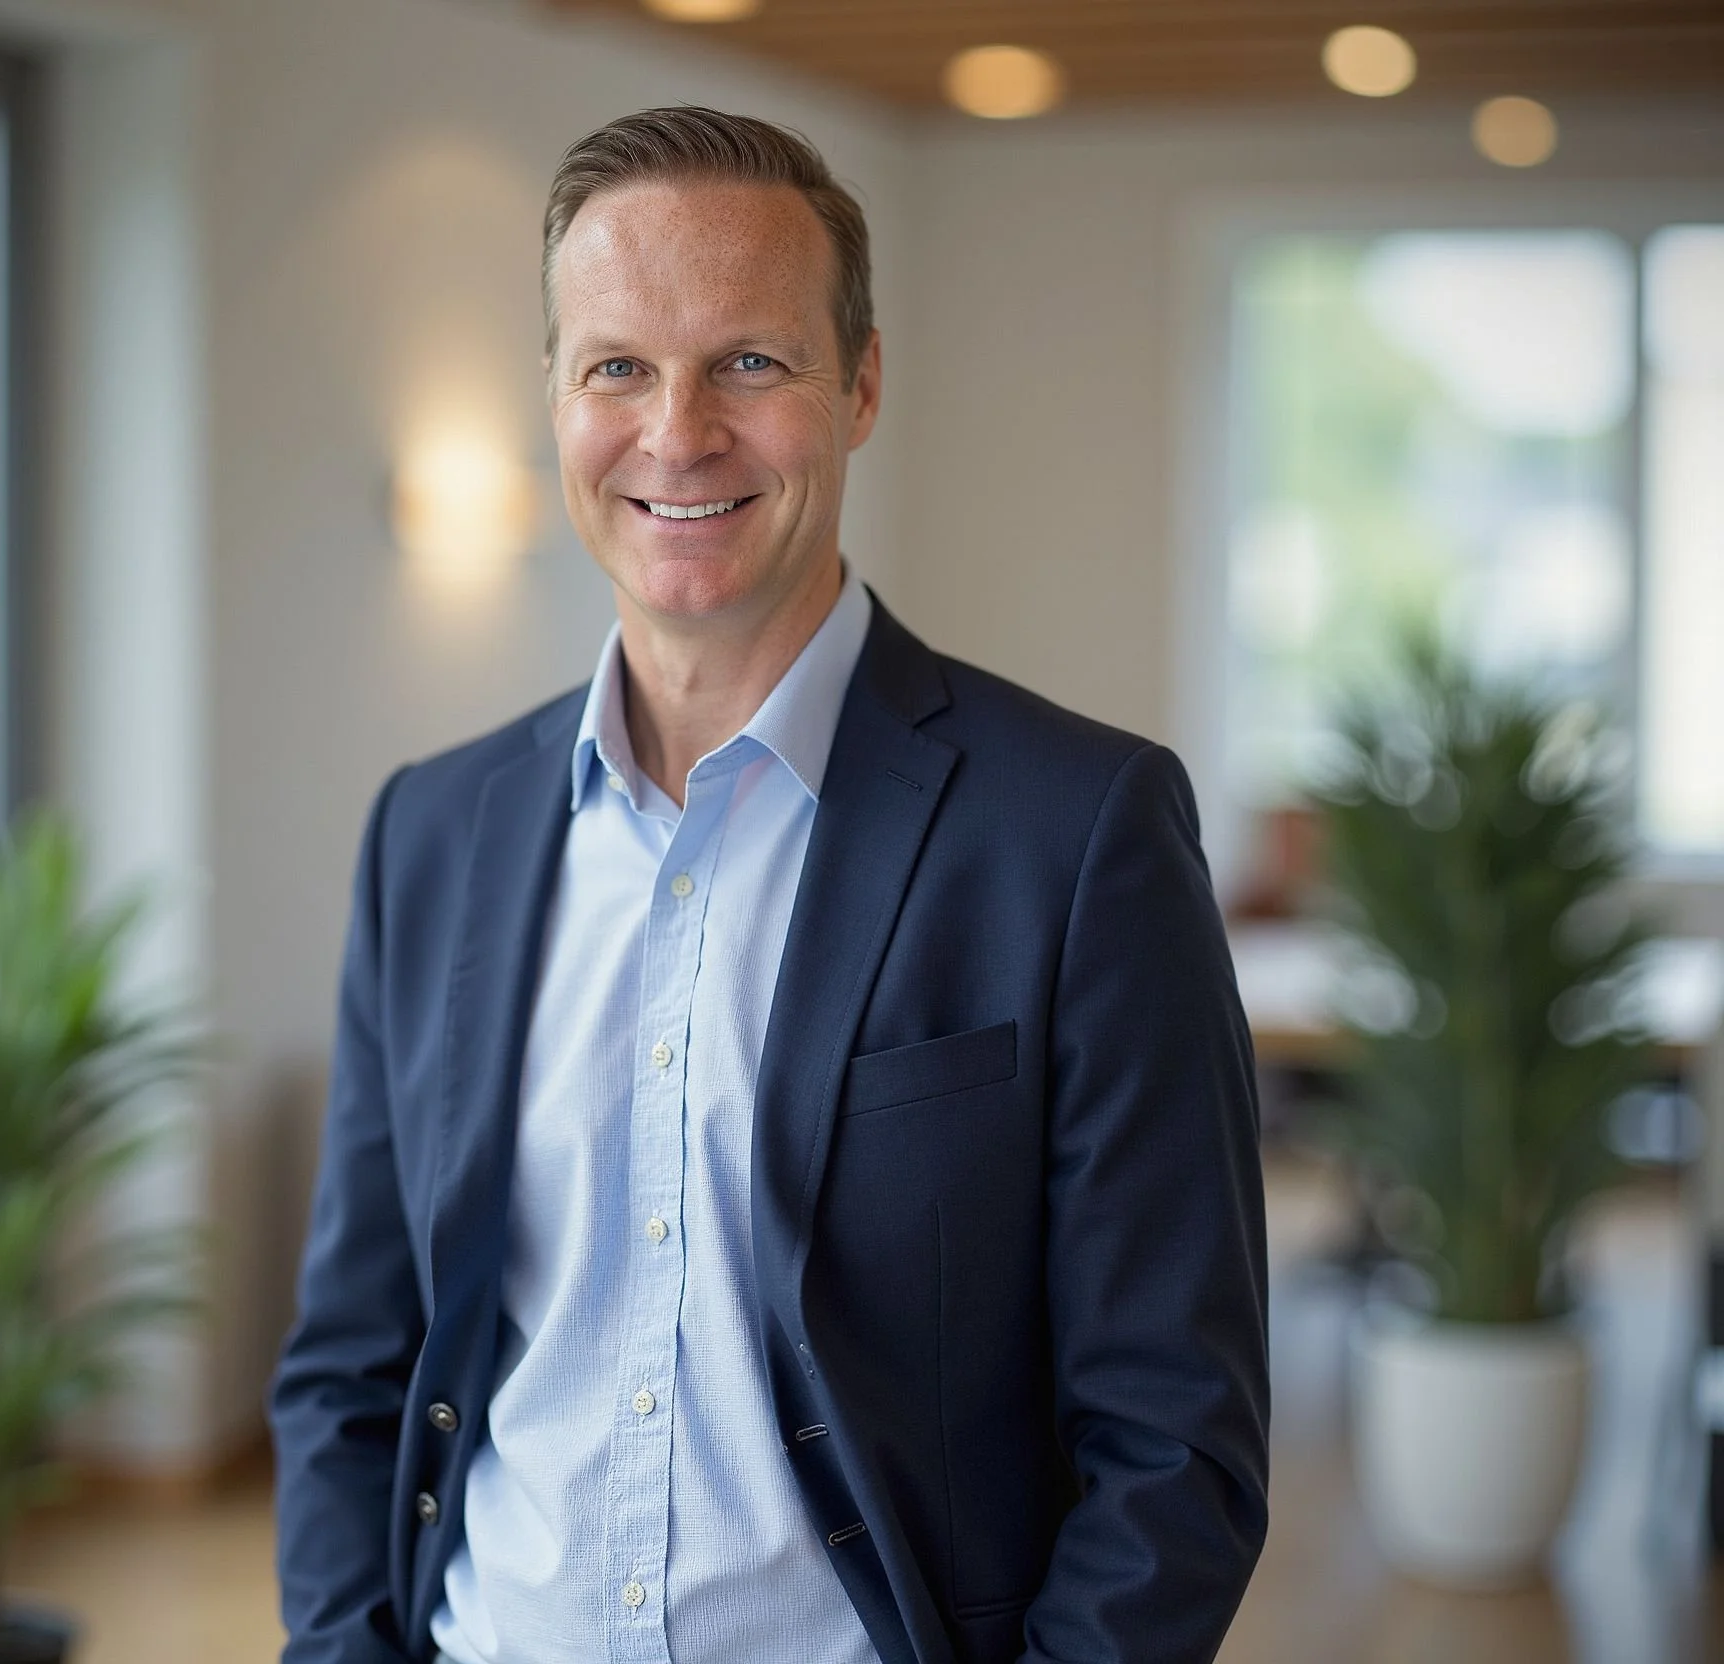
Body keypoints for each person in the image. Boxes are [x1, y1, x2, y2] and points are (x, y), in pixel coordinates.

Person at [270, 107, 1269, 1664]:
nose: (678, 433)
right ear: (554, 396)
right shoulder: (434, 832)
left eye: (750, 362)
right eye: (618, 366)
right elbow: (351, 1362)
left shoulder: (1079, 833)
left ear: (859, 387)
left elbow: (1177, 1437)